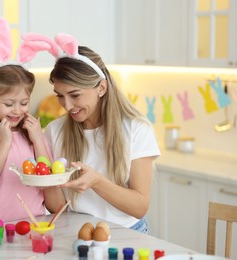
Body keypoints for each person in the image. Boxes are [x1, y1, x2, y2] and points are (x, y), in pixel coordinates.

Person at [42, 34, 160, 233]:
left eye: (75, 95)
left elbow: (139, 207)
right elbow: (56, 207)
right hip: (77, 232)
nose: (67, 106)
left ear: (101, 88)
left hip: (127, 234)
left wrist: (97, 182)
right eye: (60, 96)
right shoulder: (55, 131)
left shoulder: (137, 129)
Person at [0, 17, 50, 227]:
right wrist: (4, 142)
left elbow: (47, 177)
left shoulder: (31, 133)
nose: (17, 110)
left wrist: (38, 139)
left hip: (34, 224)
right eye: (9, 103)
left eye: (24, 102)